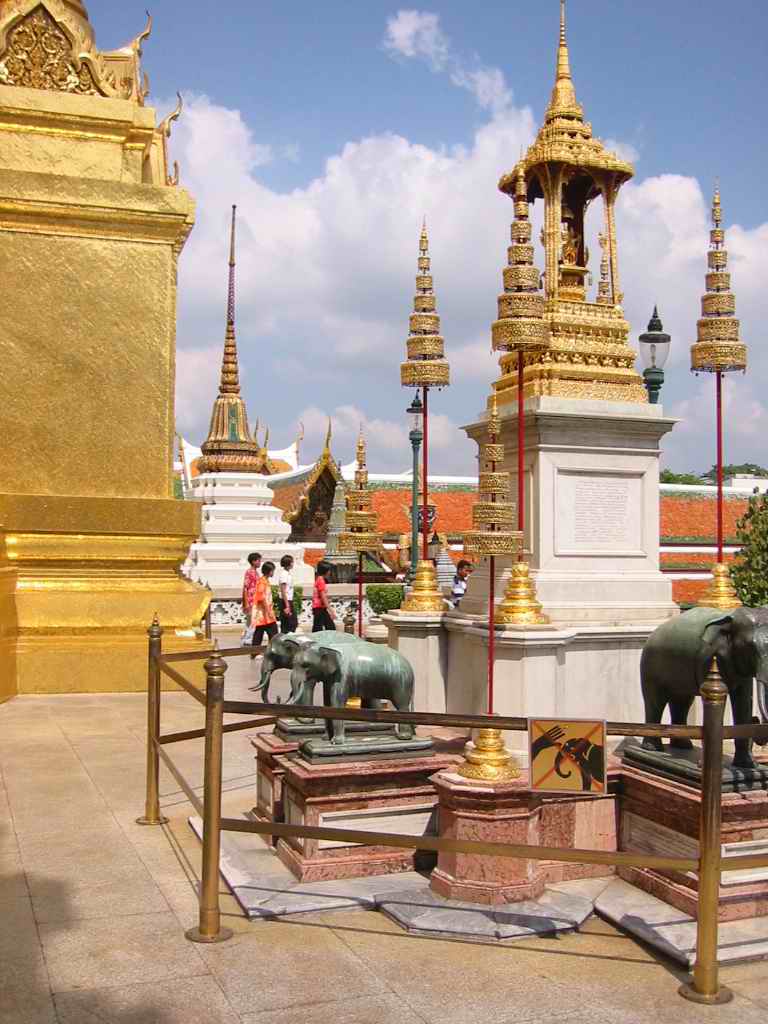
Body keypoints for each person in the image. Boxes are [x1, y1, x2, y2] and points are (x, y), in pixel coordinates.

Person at [251, 560, 278, 652]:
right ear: (269, 571)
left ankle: (255, 651)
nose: (273, 572)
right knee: (272, 632)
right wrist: (268, 611)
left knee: (260, 632)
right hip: (263, 613)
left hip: (265, 613)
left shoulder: (265, 581)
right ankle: (271, 651)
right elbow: (261, 598)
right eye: (273, 570)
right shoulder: (262, 582)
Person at [311, 561, 336, 632]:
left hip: (320, 608)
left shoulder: (319, 579)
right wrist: (330, 609)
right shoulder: (321, 581)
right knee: (322, 628)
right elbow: (323, 596)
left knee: (327, 627)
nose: (330, 572)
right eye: (329, 570)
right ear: (326, 571)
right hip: (319, 608)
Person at [277, 554, 298, 634]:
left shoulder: (287, 574)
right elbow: (283, 590)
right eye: (292, 562)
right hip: (286, 601)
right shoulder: (284, 574)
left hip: (288, 600)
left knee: (289, 623)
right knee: (290, 623)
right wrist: (287, 605)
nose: (293, 563)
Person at [241, 552, 262, 618]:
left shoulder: (257, 573)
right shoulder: (249, 572)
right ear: (253, 561)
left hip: (256, 601)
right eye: (258, 561)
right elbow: (245, 588)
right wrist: (246, 603)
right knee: (251, 621)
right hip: (250, 601)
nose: (260, 562)